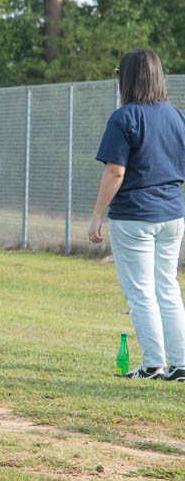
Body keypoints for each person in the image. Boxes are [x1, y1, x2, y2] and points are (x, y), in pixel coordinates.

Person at [88, 48, 185, 381]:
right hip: (173, 214)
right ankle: (181, 365)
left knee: (141, 292)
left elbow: (115, 171)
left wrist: (97, 214)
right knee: (167, 287)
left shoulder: (124, 117)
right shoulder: (176, 115)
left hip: (135, 216)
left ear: (126, 78)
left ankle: (153, 364)